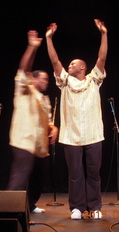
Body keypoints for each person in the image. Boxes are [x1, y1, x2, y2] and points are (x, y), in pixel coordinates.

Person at [46, 19, 107, 220]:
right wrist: (49, 39)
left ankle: (95, 206)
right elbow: (55, 62)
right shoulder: (65, 82)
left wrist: (103, 34)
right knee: (75, 174)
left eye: (73, 64)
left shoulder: (93, 80)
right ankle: (77, 207)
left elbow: (102, 58)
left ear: (82, 67)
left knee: (93, 173)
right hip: (71, 135)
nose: (69, 65)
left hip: (93, 134)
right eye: (69, 64)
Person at [6, 30, 58, 214]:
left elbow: (49, 120)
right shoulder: (24, 89)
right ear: (32, 79)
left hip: (40, 145)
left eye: (47, 79)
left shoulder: (44, 99)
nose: (46, 82)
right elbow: (23, 69)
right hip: (24, 140)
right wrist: (32, 47)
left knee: (38, 178)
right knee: (20, 176)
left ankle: (30, 204)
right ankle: (9, 209)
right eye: (42, 78)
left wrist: (53, 127)